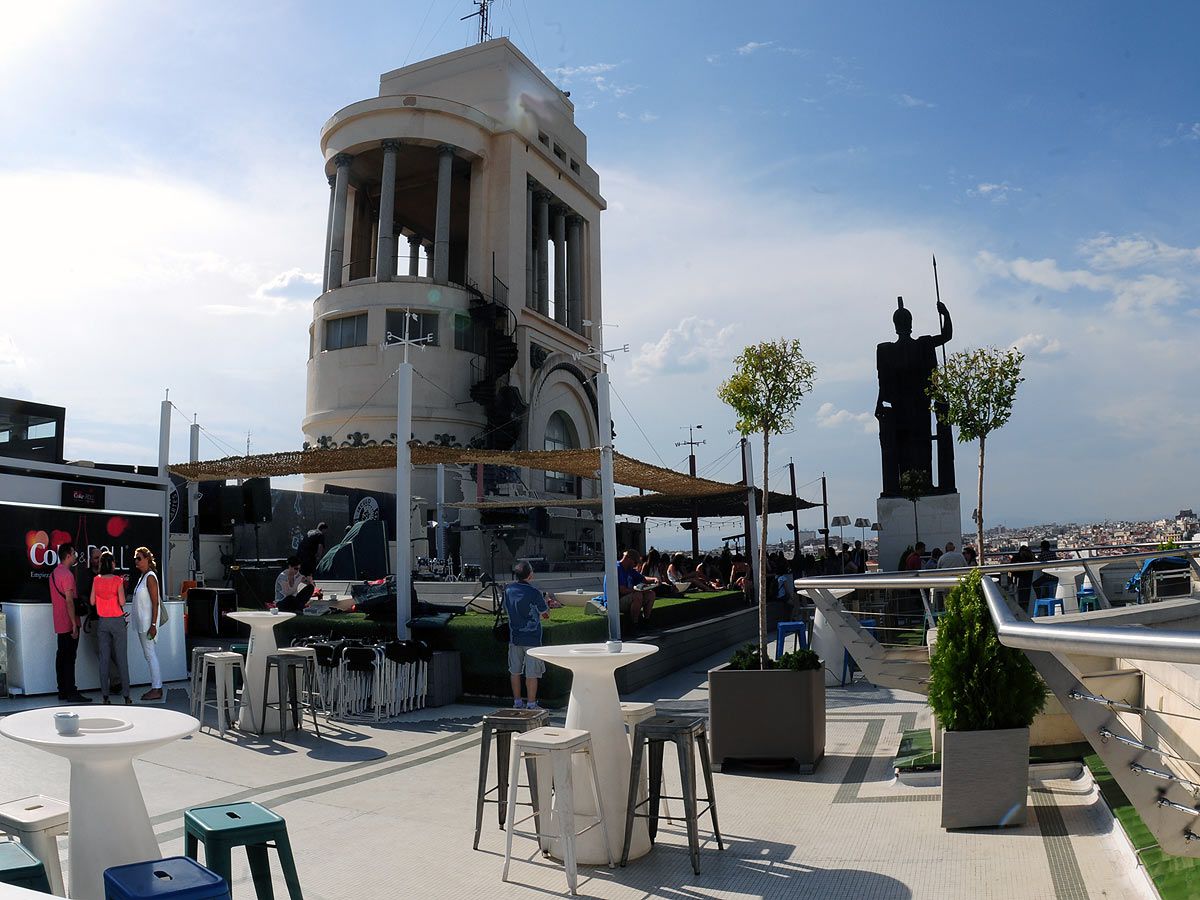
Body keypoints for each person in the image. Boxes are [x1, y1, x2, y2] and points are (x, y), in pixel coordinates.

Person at [504, 561, 550, 710]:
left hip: (515, 637)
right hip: (532, 638)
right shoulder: (534, 593)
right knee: (532, 673)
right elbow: (545, 615)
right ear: (530, 575)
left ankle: (517, 702)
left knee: (515, 671)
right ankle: (531, 703)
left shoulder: (508, 590)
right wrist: (547, 603)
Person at [49, 543, 91, 703]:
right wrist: (74, 623)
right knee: (69, 658)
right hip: (68, 622)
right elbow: (69, 601)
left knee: (61, 656)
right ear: (68, 555)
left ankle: (63, 690)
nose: (75, 556)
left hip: (59, 622)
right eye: (74, 553)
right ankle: (72, 691)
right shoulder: (67, 575)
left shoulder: (54, 573)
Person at [90, 551, 130, 705]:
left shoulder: (96, 580)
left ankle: (105, 696)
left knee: (104, 659)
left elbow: (92, 601)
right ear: (112, 563)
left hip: (103, 622)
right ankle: (126, 695)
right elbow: (122, 602)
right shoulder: (118, 580)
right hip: (117, 621)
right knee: (121, 658)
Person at [130, 547, 164, 702]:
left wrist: (153, 624)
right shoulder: (143, 577)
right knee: (148, 654)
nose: (136, 561)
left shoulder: (150, 577)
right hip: (142, 623)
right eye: (136, 558)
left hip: (147, 624)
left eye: (139, 558)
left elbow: (155, 603)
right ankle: (156, 687)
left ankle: (157, 688)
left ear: (147, 560)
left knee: (150, 654)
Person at [617, 549, 659, 630]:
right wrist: (637, 590)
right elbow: (622, 590)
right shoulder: (618, 569)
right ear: (628, 559)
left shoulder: (629, 570)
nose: (635, 566)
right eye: (635, 563)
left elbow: (643, 578)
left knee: (651, 594)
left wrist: (654, 579)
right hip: (616, 601)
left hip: (627, 597)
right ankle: (634, 624)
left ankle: (646, 621)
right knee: (637, 595)